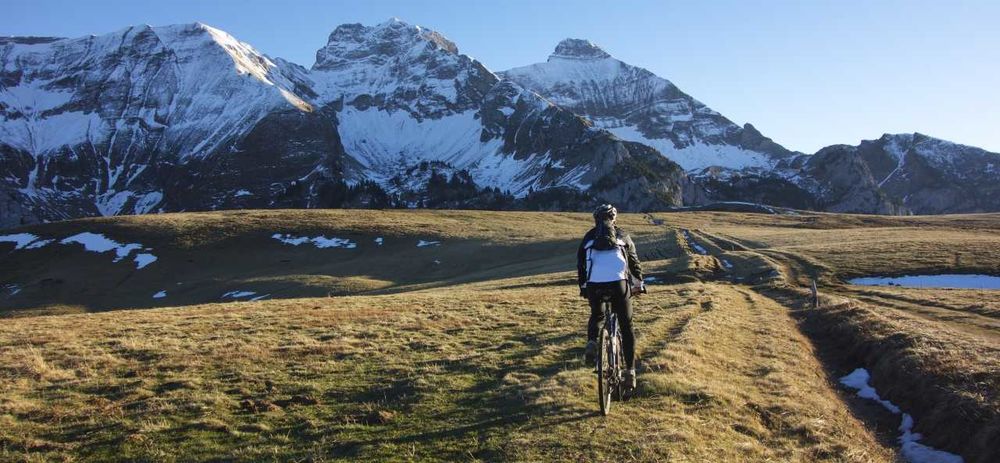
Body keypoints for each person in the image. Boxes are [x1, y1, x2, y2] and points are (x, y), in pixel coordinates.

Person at [577, 204, 644, 389]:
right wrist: (638, 284)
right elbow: (634, 262)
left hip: (594, 285)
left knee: (597, 315)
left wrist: (584, 286)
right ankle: (630, 372)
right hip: (618, 283)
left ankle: (592, 342)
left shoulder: (589, 237)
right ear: (614, 218)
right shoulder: (622, 235)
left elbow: (581, 264)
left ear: (596, 219)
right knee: (626, 325)